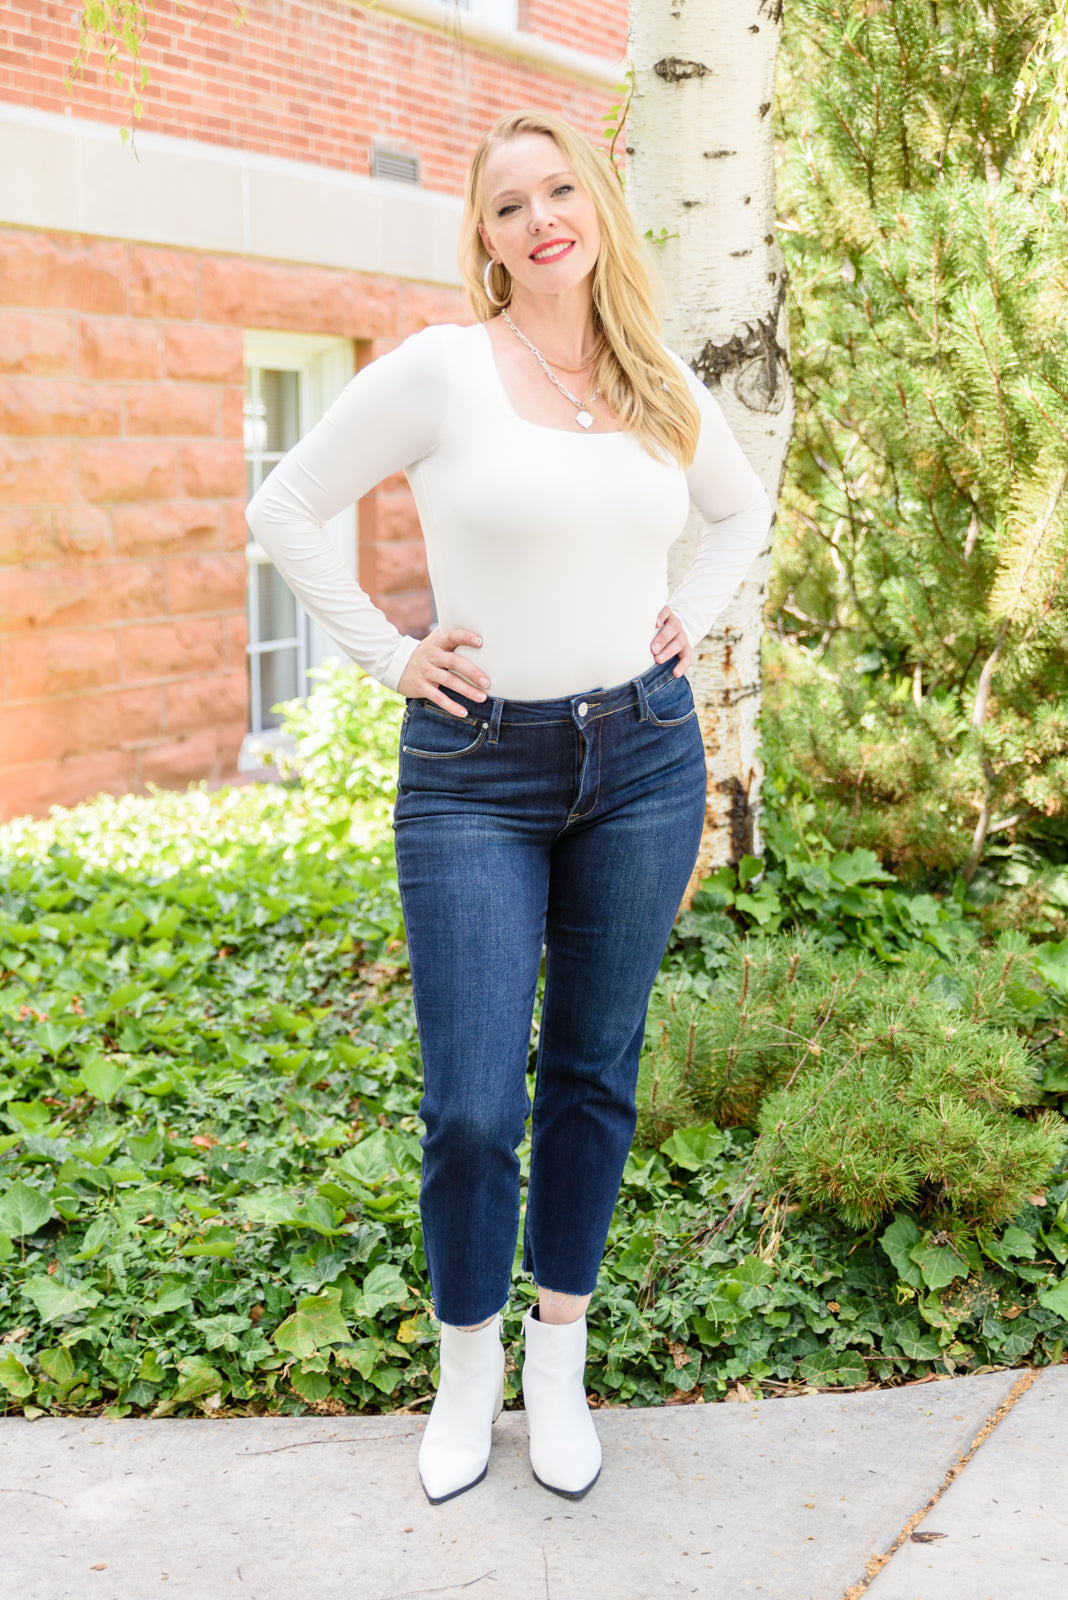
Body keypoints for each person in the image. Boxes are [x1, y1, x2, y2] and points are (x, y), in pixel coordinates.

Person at [246, 108, 771, 1506]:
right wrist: (390, 655)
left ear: (597, 202)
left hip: (645, 762)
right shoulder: (441, 373)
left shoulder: (658, 376)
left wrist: (693, 628)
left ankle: (560, 1359)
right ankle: (467, 1365)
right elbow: (288, 507)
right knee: (475, 1105)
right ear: (480, 241)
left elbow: (743, 511)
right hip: (475, 772)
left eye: (558, 190)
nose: (540, 218)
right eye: (506, 206)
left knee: (595, 1076)